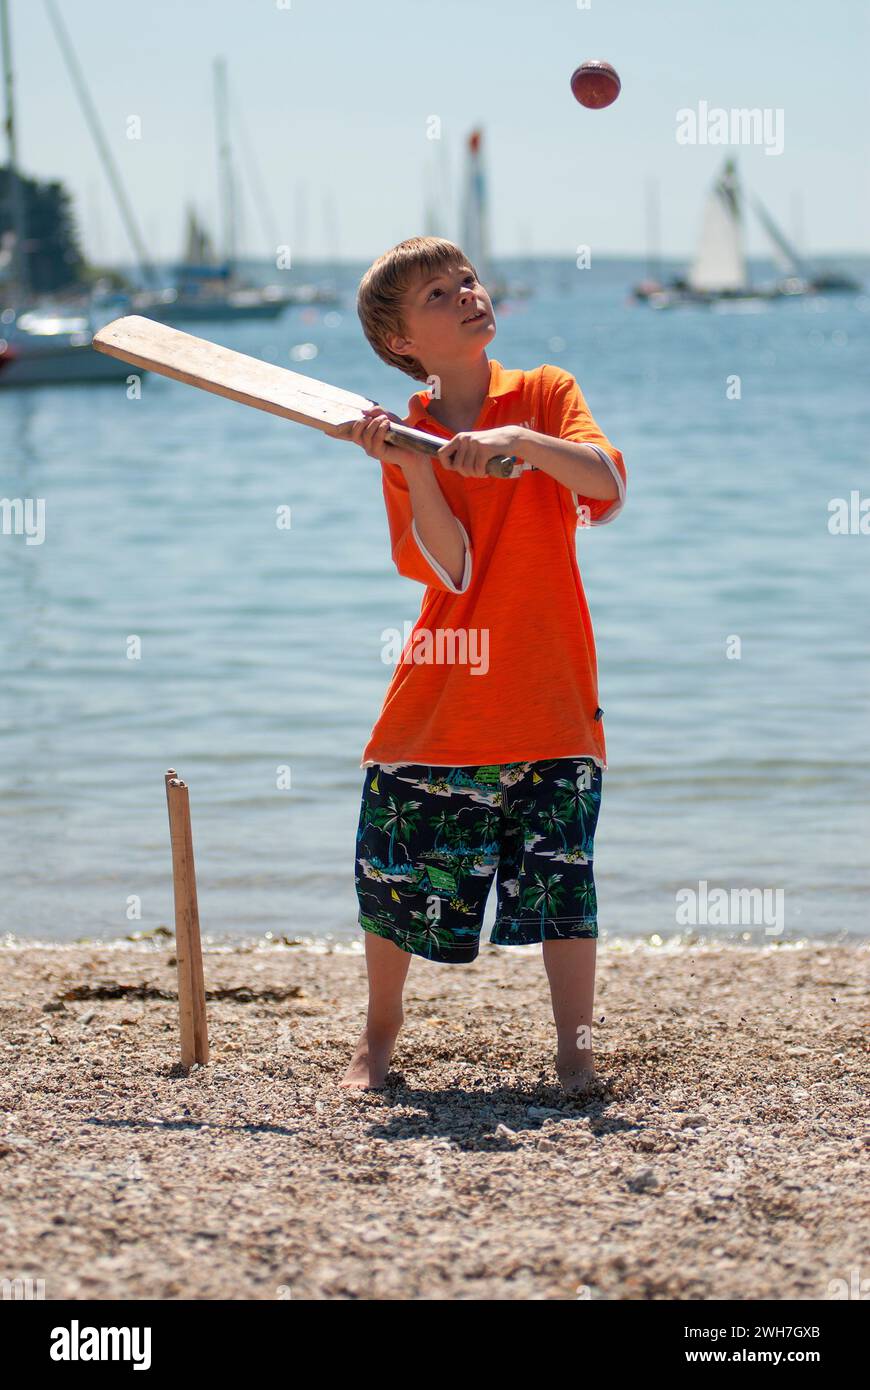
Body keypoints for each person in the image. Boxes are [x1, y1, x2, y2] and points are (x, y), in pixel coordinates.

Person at [340, 237, 626, 1092]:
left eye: (465, 279)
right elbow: (448, 568)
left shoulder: (544, 393)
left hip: (551, 691)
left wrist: (520, 442)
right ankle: (379, 1037)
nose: (467, 293)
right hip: (440, 699)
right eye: (438, 293)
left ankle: (574, 1051)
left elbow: (605, 483)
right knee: (393, 873)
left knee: (563, 885)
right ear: (403, 345)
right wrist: (411, 467)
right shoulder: (408, 433)